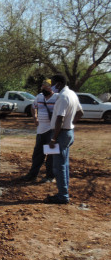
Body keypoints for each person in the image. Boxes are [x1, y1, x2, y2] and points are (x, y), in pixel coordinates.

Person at [45, 74, 84, 204]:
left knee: (58, 166)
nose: (51, 87)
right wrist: (70, 124)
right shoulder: (72, 93)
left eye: (53, 84)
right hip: (68, 132)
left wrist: (53, 139)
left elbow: (59, 119)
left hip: (61, 134)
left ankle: (63, 196)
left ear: (59, 84)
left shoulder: (63, 97)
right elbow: (80, 113)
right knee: (64, 164)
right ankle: (64, 191)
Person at [23, 80, 58, 183]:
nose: (43, 88)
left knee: (51, 155)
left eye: (46, 86)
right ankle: (32, 175)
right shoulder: (39, 96)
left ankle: (50, 176)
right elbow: (33, 107)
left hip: (52, 130)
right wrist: (35, 117)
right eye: (42, 86)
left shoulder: (58, 97)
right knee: (37, 154)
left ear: (51, 88)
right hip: (40, 130)